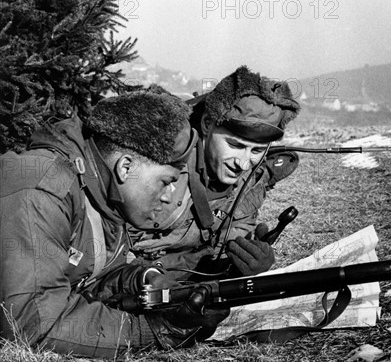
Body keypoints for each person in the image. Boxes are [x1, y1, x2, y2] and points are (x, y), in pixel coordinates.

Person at [0, 91, 229, 357]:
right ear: (126, 167)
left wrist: (143, 279)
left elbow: (87, 276)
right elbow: (32, 322)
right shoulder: (43, 189)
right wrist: (153, 330)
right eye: (166, 182)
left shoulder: (98, 187)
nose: (168, 198)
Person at [127, 66, 301, 279]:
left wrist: (242, 264)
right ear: (208, 124)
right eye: (235, 146)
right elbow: (108, 249)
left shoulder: (251, 179)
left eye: (256, 150)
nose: (244, 164)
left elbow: (225, 245)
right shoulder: (159, 162)